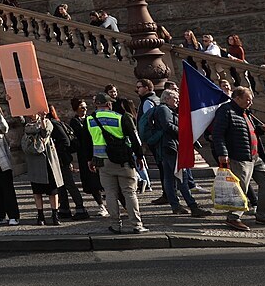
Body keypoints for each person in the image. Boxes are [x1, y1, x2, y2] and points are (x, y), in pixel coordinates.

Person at [209, 85, 265, 231]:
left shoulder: (246, 112)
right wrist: (223, 153)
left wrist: (261, 130)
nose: (250, 103)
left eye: (251, 100)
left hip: (255, 156)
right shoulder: (226, 111)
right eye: (247, 100)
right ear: (237, 98)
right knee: (240, 188)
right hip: (239, 157)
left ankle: (263, 215)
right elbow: (217, 134)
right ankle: (233, 217)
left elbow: (249, 132)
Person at [140, 88, 207, 216]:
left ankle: (176, 206)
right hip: (170, 147)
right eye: (175, 98)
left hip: (166, 147)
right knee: (182, 177)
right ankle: (193, 206)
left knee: (169, 178)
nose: (177, 101)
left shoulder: (165, 110)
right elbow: (167, 126)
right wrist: (184, 132)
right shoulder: (164, 110)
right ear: (166, 99)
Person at [87, 93, 145, 234]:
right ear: (109, 104)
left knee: (110, 193)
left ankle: (115, 225)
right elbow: (134, 138)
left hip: (102, 161)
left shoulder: (90, 120)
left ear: (96, 105)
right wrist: (139, 156)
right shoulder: (121, 117)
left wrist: (91, 159)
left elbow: (88, 141)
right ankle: (136, 225)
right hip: (123, 160)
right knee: (129, 192)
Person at [20, 113, 63, 226]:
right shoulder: (26, 124)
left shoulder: (47, 122)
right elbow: (18, 121)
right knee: (37, 190)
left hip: (47, 159)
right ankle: (40, 215)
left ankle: (55, 215)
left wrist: (43, 119)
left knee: (52, 190)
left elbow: (45, 133)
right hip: (34, 160)